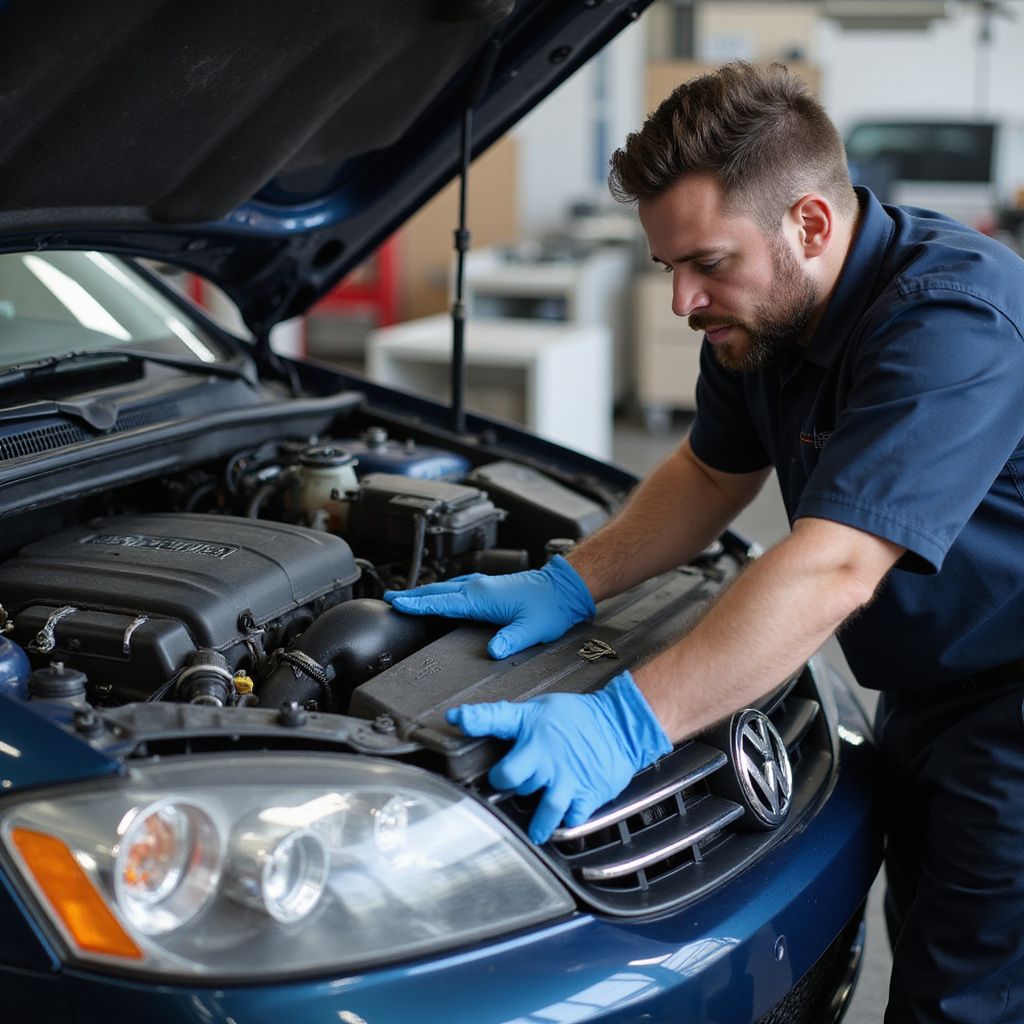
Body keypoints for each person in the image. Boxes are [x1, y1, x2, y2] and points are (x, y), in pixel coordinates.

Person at [385, 61, 1024, 1023]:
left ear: (809, 224)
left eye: (708, 264)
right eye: (668, 268)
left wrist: (626, 722)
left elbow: (836, 564)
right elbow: (712, 475)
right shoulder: (760, 321)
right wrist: (571, 581)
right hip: (932, 683)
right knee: (931, 925)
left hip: (1013, 703)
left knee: (966, 997)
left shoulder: (951, 323)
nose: (683, 301)